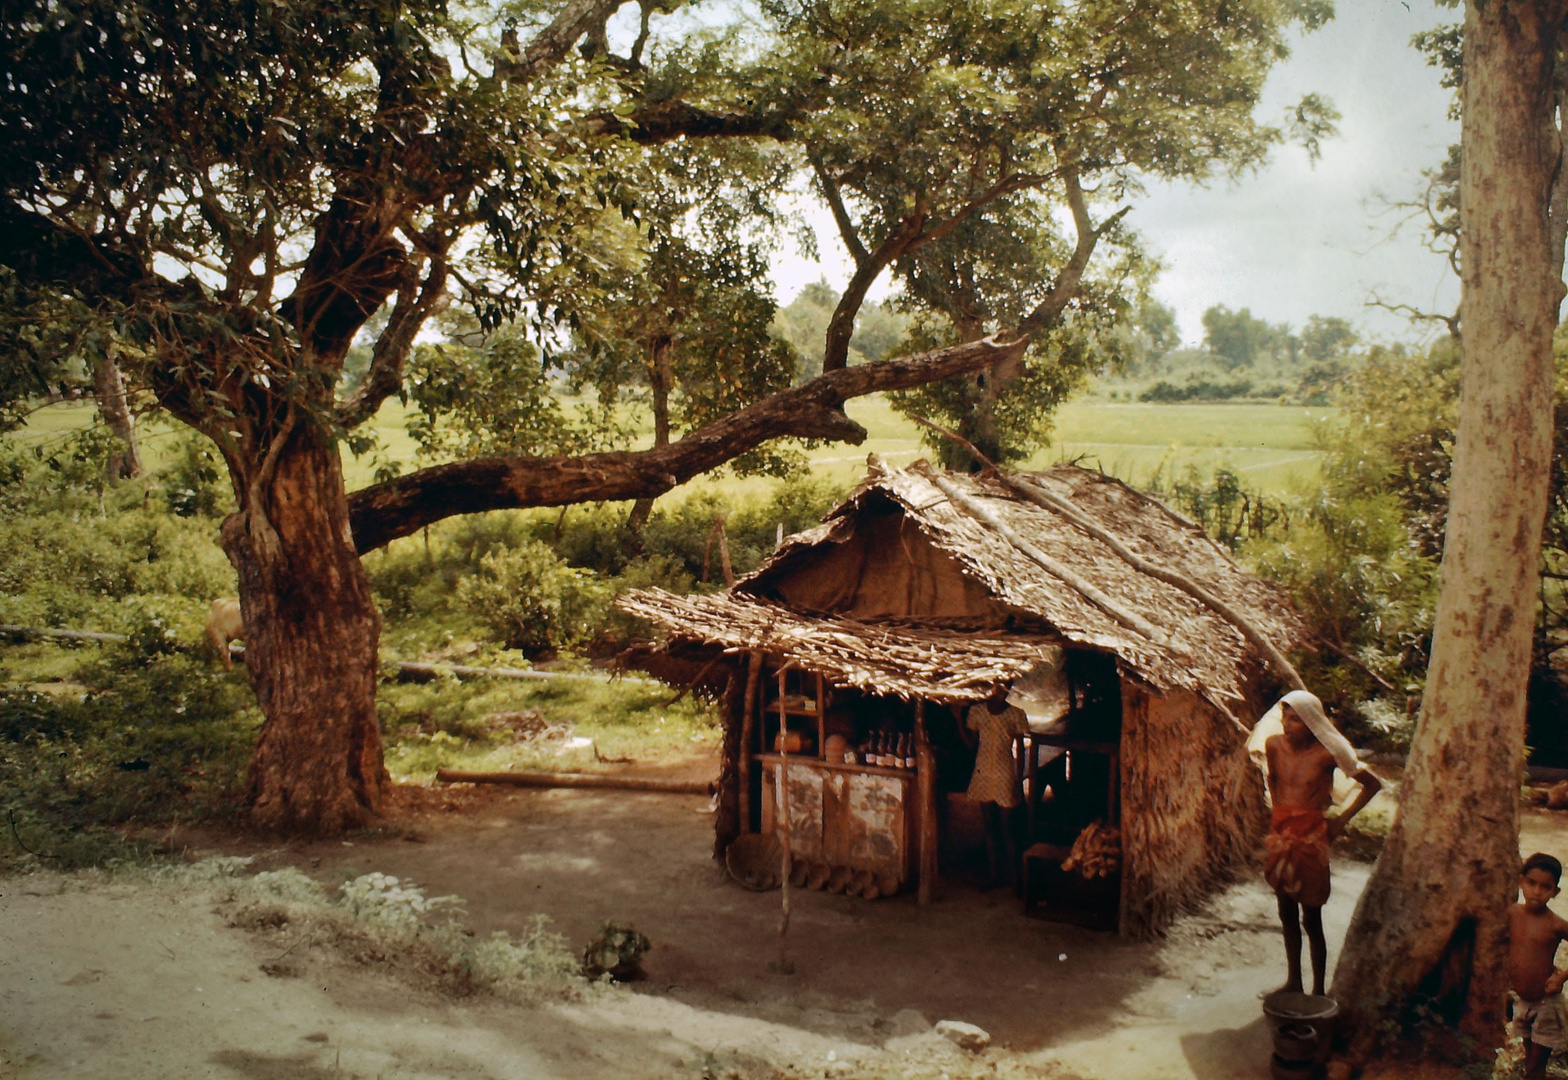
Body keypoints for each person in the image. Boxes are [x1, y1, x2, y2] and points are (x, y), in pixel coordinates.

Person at [1262, 689, 1381, 995]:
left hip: (1312, 836)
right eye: (1288, 719)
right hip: (1282, 832)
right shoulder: (1273, 745)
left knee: (1311, 916)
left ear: (1313, 722)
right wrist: (1280, 817)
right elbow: (1273, 779)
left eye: (1299, 721)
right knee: (1285, 910)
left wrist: (1341, 820)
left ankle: (1317, 991)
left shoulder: (1327, 753)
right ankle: (1294, 982)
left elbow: (1372, 784)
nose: (1291, 726)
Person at [964, 684, 1029, 887]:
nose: (1003, 692)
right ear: (991, 688)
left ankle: (1016, 879)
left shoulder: (1016, 715)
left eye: (1006, 688)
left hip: (1004, 773)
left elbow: (1020, 751)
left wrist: (1018, 780)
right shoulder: (977, 712)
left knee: (1008, 828)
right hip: (983, 771)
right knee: (989, 827)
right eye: (999, 687)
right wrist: (958, 718)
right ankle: (994, 876)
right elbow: (969, 744)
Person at [1510, 852, 1568, 1079]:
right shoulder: (1512, 913)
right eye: (1531, 883)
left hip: (1546, 1004)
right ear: (1521, 880)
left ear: (1555, 892)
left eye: (1546, 887)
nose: (1536, 891)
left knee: (1535, 1066)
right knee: (1528, 1057)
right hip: (1522, 1002)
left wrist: (1561, 977)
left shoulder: (1554, 924)